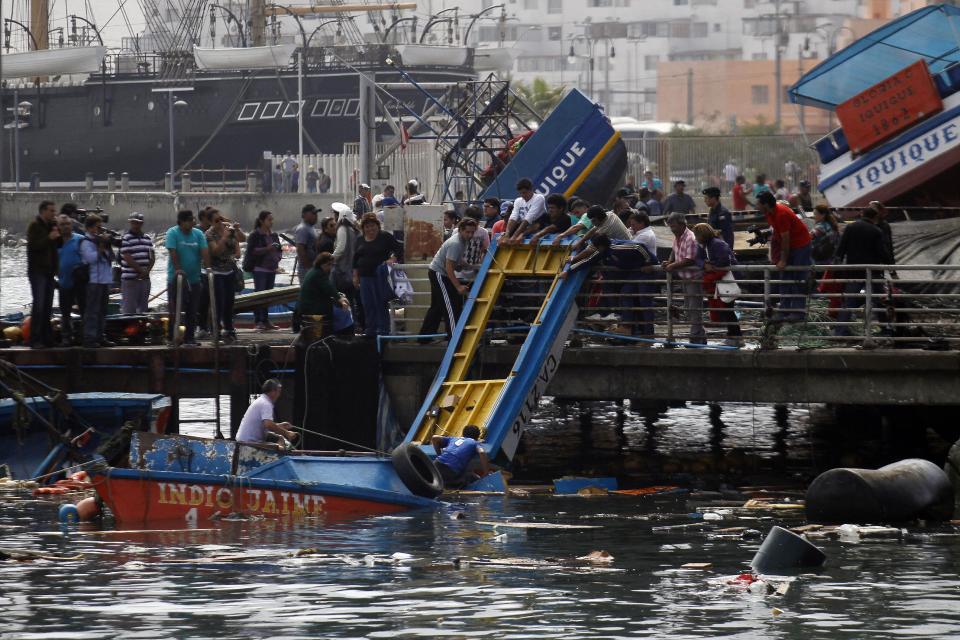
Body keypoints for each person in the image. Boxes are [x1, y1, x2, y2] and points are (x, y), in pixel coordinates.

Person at [563, 233, 659, 339]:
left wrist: (648, 262)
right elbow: (588, 260)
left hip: (647, 271)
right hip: (635, 272)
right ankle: (627, 327)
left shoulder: (617, 247)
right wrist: (569, 270)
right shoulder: (603, 252)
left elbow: (639, 246)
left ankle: (649, 335)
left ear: (601, 246)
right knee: (625, 294)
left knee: (644, 302)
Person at [833, 204, 893, 336]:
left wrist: (837, 264)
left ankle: (840, 331)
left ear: (862, 214)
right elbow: (882, 252)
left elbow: (841, 248)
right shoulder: (876, 231)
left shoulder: (850, 227)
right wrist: (889, 264)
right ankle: (885, 330)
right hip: (873, 271)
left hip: (854, 270)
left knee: (849, 301)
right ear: (875, 217)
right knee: (878, 300)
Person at [756, 191, 813, 322]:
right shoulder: (769, 213)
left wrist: (782, 259)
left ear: (765, 204)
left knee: (798, 277)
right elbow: (778, 235)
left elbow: (786, 239)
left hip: (800, 246)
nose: (756, 206)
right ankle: (784, 310)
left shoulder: (781, 214)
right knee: (785, 277)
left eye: (758, 203)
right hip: (790, 246)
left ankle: (798, 312)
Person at [420, 218, 477, 339]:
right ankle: (454, 338)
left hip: (439, 273)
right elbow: (449, 267)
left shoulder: (463, 240)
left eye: (472, 232)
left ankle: (425, 337)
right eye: (467, 232)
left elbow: (457, 260)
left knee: (436, 306)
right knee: (450, 305)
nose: (470, 235)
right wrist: (458, 286)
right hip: (439, 274)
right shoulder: (456, 243)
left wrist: (470, 266)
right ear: (461, 230)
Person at [352, 213, 404, 337]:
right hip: (364, 278)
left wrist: (393, 259)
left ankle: (383, 331)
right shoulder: (359, 239)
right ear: (363, 228)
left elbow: (399, 248)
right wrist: (355, 276)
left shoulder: (385, 236)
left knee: (380, 303)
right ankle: (370, 330)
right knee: (367, 304)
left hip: (380, 277)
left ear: (377, 226)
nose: (370, 229)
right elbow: (355, 259)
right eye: (367, 227)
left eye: (372, 226)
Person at [693, 223, 742, 347]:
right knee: (726, 309)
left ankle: (735, 336)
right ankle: (733, 336)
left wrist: (712, 265)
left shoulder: (717, 244)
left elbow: (725, 259)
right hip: (719, 279)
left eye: (696, 235)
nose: (695, 238)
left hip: (726, 278)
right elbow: (697, 258)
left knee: (727, 308)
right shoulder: (704, 246)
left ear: (702, 235)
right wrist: (705, 265)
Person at [166, 209, 210, 345]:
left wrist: (208, 268)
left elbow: (204, 251)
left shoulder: (198, 234)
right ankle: (172, 337)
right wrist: (178, 269)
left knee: (193, 309)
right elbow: (173, 252)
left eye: (193, 220)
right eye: (190, 220)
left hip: (194, 279)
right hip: (177, 278)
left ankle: (189, 338)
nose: (193, 222)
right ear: (182, 221)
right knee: (176, 309)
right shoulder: (172, 233)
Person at [662, 212, 705, 345]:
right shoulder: (678, 237)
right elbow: (674, 251)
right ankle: (698, 334)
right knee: (689, 307)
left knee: (694, 307)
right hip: (685, 278)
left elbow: (689, 259)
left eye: (673, 226)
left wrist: (672, 266)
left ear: (682, 225)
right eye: (670, 227)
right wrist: (669, 261)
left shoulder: (690, 238)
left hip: (694, 278)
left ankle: (697, 336)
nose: (672, 229)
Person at [26, 200, 62, 349]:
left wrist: (56, 233)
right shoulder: (34, 226)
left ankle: (47, 338)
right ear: (43, 211)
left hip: (49, 272)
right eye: (51, 211)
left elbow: (58, 245)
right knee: (39, 305)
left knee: (47, 306)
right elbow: (34, 246)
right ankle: (35, 339)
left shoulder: (50, 227)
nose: (54, 213)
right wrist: (49, 238)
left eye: (54, 211)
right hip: (37, 271)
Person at [206, 212, 245, 342]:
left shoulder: (228, 228)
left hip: (229, 271)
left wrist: (237, 230)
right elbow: (215, 251)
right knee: (218, 302)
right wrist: (224, 237)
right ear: (211, 222)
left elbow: (243, 239)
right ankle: (215, 329)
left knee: (229, 302)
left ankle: (229, 329)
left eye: (221, 219)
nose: (220, 223)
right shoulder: (209, 234)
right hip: (217, 272)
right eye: (217, 221)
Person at [80, 214, 116, 348]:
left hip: (104, 280)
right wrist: (101, 245)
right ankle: (90, 338)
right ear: (89, 228)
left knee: (102, 311)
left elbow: (112, 258)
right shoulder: (86, 242)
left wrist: (108, 244)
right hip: (93, 280)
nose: (100, 230)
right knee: (92, 311)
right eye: (97, 227)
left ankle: (100, 337)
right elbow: (91, 259)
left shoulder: (101, 242)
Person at [244, 210, 282, 331]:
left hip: (271, 269)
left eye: (272, 219)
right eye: (269, 220)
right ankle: (258, 321)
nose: (271, 222)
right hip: (260, 269)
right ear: (262, 221)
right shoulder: (255, 235)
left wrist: (278, 256)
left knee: (268, 296)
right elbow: (252, 251)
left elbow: (279, 249)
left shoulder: (273, 235)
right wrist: (267, 249)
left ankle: (265, 320)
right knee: (259, 295)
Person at [298, 253, 350, 337]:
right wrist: (340, 299)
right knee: (342, 313)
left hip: (311, 304)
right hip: (312, 307)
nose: (330, 267)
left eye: (331, 265)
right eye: (328, 265)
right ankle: (341, 335)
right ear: (321, 264)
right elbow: (329, 288)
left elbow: (329, 288)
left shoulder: (315, 271)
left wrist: (339, 297)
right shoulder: (318, 274)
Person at [236, 379, 299, 447]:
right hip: (248, 442)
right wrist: (287, 433)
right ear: (273, 391)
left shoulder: (261, 400)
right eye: (279, 392)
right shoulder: (266, 403)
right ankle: (280, 456)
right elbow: (268, 425)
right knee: (280, 442)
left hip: (243, 439)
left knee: (279, 438)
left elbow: (264, 424)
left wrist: (280, 425)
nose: (279, 395)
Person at [56, 214, 85, 346]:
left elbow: (88, 258)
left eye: (67, 224)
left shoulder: (80, 240)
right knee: (65, 312)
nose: (66, 226)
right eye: (62, 224)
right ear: (58, 227)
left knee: (85, 310)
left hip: (80, 282)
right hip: (64, 282)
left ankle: (84, 336)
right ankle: (66, 337)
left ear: (72, 225)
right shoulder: (55, 242)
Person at [119, 212, 154, 315]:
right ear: (130, 223)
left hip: (145, 279)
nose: (135, 225)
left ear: (141, 224)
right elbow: (127, 257)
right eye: (133, 222)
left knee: (143, 309)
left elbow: (152, 257)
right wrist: (141, 271)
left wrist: (146, 272)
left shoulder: (147, 238)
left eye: (138, 223)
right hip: (130, 279)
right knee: (129, 310)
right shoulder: (126, 238)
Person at [332, 206, 360, 316]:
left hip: (342, 270)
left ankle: (345, 323)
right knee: (350, 299)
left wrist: (329, 260)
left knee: (341, 298)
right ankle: (353, 323)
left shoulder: (342, 229)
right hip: (351, 270)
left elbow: (340, 248)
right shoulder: (352, 230)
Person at [504, 177, 546, 243]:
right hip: (525, 228)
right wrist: (507, 234)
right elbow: (513, 218)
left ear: (531, 190)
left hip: (538, 226)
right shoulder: (518, 201)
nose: (522, 195)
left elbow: (528, 219)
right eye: (520, 193)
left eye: (524, 193)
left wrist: (514, 236)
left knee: (537, 223)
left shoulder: (539, 198)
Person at [456, 206, 490, 283]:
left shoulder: (483, 232)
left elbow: (487, 251)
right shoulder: (457, 231)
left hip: (475, 271)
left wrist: (480, 265)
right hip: (459, 271)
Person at [294, 204, 320, 282]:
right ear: (304, 215)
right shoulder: (303, 229)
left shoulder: (311, 228)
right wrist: (308, 267)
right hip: (306, 269)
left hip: (313, 267)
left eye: (316, 214)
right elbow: (300, 249)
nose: (315, 216)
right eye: (313, 213)